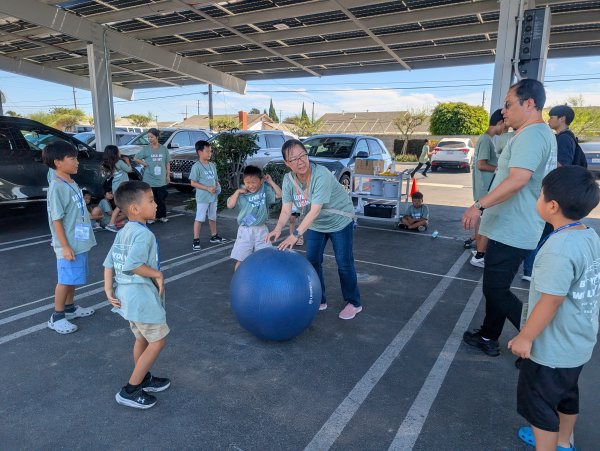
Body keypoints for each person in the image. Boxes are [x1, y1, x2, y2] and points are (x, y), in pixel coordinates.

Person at [461, 79, 557, 357]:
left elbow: (518, 180)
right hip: (511, 225)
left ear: (529, 104)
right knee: (497, 287)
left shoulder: (531, 135)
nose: (503, 111)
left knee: (496, 290)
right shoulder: (536, 134)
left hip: (513, 228)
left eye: (508, 104)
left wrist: (478, 205)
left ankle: (536, 346)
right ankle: (488, 335)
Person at [508, 166, 600, 450]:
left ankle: (548, 442)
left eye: (540, 194)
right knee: (567, 394)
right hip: (577, 342)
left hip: (551, 349)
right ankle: (563, 441)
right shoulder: (588, 235)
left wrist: (526, 337)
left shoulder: (558, 249)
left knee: (539, 406)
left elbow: (551, 300)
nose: (537, 199)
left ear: (552, 206)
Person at [265, 139, 362, 320]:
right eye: (293, 159)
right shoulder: (288, 180)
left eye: (302, 156)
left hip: (340, 221)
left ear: (307, 155)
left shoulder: (321, 174)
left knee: (344, 263)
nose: (300, 161)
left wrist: (295, 234)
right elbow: (286, 209)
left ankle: (354, 302)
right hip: (317, 224)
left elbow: (315, 210)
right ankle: (319, 298)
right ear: (287, 163)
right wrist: (277, 229)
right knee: (313, 261)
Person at [104, 180, 171, 410]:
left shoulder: (123, 231)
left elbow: (109, 263)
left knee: (142, 338)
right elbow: (133, 264)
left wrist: (108, 289)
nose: (156, 204)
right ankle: (130, 390)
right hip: (141, 298)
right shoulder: (143, 235)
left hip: (127, 298)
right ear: (134, 208)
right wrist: (157, 274)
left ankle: (144, 378)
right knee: (158, 341)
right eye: (151, 200)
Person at [521, 105, 584, 282]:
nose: (549, 120)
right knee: (545, 232)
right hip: (559, 195)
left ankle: (531, 270)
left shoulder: (563, 139)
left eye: (551, 117)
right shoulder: (566, 138)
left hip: (556, 195)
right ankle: (532, 269)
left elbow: (561, 166)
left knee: (541, 232)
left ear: (562, 118)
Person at [43, 141, 96, 334]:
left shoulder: (71, 182)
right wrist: (65, 246)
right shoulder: (57, 187)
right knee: (65, 279)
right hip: (68, 244)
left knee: (72, 277)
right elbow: (56, 219)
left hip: (78, 241)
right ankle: (57, 316)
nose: (77, 162)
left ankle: (70, 308)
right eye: (72, 158)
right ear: (58, 162)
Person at [469, 109, 505, 268]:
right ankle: (479, 255)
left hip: (484, 188)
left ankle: (478, 249)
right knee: (486, 221)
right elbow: (481, 164)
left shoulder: (486, 139)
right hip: (485, 188)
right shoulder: (486, 140)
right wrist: (500, 169)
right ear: (500, 122)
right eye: (506, 125)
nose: (506, 129)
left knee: (482, 219)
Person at [227, 165, 282, 270]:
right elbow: (230, 205)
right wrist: (237, 192)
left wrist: (270, 182)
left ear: (261, 181)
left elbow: (279, 195)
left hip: (262, 229)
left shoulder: (264, 190)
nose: (251, 185)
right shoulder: (242, 195)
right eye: (247, 182)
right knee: (242, 259)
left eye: (253, 182)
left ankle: (262, 278)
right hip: (245, 230)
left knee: (265, 256)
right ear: (244, 181)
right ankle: (238, 278)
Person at [189, 140, 228, 251]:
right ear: (200, 152)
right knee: (199, 218)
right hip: (203, 198)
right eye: (207, 151)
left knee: (212, 217)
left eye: (210, 151)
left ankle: (214, 236)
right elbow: (193, 183)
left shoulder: (212, 165)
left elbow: (215, 180)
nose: (210, 153)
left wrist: (218, 185)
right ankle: (196, 240)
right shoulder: (196, 166)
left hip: (213, 197)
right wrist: (207, 188)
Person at [134, 128, 170, 223]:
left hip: (161, 179)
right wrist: (144, 163)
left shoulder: (164, 149)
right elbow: (136, 158)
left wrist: (168, 175)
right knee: (150, 200)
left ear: (157, 137)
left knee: (161, 199)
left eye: (152, 137)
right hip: (149, 179)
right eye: (148, 137)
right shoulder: (146, 149)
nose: (150, 139)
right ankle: (150, 217)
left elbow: (167, 163)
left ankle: (162, 216)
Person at [102, 144, 132, 233]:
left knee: (124, 205)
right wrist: (128, 161)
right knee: (120, 206)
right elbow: (129, 170)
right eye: (118, 150)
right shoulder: (119, 162)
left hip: (116, 187)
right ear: (115, 153)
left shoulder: (110, 164)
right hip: (122, 187)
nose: (120, 152)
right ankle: (111, 224)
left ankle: (128, 222)